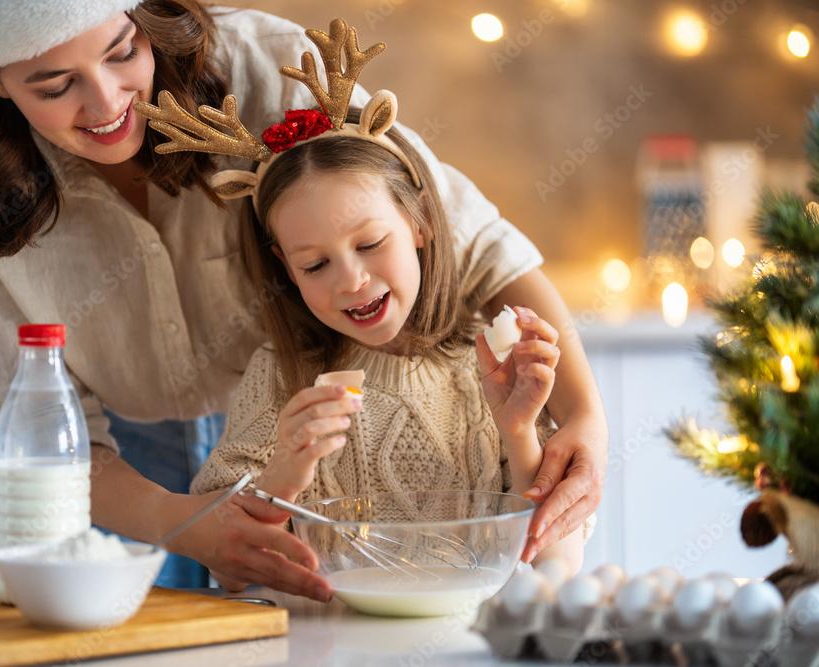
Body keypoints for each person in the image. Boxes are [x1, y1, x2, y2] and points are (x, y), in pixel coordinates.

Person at [0, 0, 604, 596]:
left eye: (123, 50)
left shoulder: (267, 68)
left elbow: (480, 245)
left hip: (297, 403)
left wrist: (585, 415)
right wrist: (177, 518)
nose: (105, 102)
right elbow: (46, 425)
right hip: (127, 464)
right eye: (55, 85)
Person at [176, 70, 585, 569]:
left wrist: (520, 430)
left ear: (421, 223)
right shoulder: (280, 379)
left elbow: (549, 559)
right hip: (329, 644)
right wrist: (286, 470)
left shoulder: (496, 369)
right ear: (287, 268)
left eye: (369, 244)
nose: (350, 280)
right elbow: (227, 563)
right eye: (315, 264)